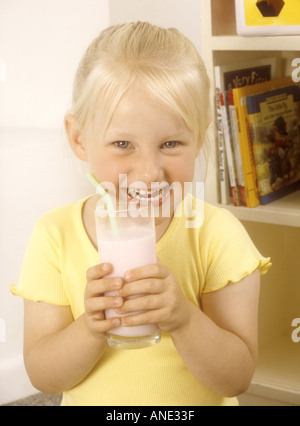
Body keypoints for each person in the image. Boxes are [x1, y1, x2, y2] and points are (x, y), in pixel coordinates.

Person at [11, 22, 271, 406]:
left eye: (170, 143)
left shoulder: (218, 235)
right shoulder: (54, 236)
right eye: (122, 144)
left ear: (199, 137)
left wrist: (184, 318)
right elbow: (44, 375)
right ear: (79, 138)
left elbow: (236, 378)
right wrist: (90, 326)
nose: (150, 172)